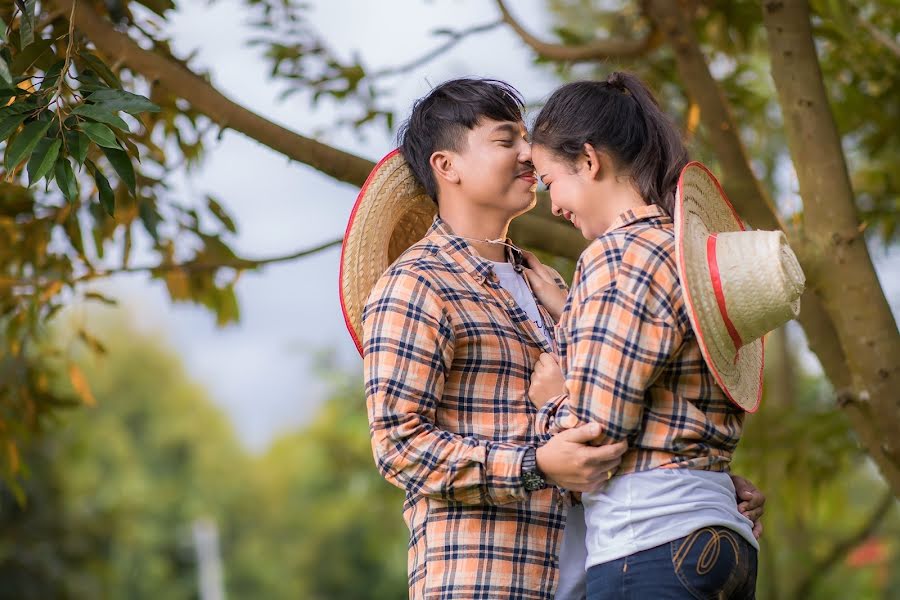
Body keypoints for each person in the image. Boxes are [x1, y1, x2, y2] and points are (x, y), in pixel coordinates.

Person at [338, 77, 767, 600]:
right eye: (504, 140)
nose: (528, 153)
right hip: (489, 579)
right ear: (446, 166)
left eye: (526, 138)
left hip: (608, 567)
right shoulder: (416, 284)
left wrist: (708, 483)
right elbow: (398, 445)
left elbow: (616, 397)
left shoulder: (554, 282)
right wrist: (534, 464)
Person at [525, 73, 804, 599]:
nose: (553, 204)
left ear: (589, 160)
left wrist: (550, 401)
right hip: (725, 539)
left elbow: (597, 435)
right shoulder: (688, 257)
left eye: (549, 181)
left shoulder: (616, 255)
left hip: (649, 541)